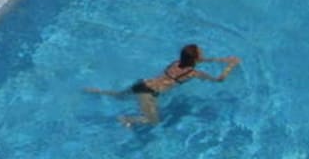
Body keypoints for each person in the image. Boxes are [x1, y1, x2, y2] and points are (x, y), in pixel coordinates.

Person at [85, 44, 241, 127]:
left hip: (143, 83)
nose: (204, 54)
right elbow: (219, 79)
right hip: (148, 94)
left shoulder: (176, 62)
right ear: (196, 59)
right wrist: (231, 66)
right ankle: (126, 119)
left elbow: (200, 60)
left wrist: (222, 59)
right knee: (152, 122)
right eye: (202, 53)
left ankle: (95, 91)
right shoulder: (193, 73)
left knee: (119, 96)